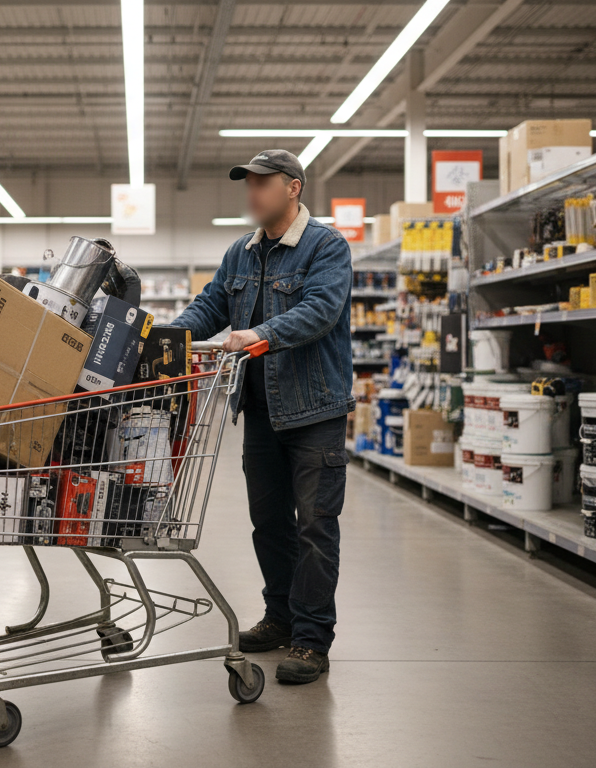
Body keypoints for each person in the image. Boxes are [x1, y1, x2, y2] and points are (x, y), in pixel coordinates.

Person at [170, 150, 353, 685]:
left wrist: (258, 335)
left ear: (293, 187)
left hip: (315, 408)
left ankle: (311, 639)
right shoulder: (240, 254)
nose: (251, 193)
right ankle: (280, 618)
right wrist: (166, 338)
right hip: (260, 412)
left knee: (316, 526)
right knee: (269, 524)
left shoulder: (326, 246)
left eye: (262, 183)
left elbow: (320, 310)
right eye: (246, 184)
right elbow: (209, 307)